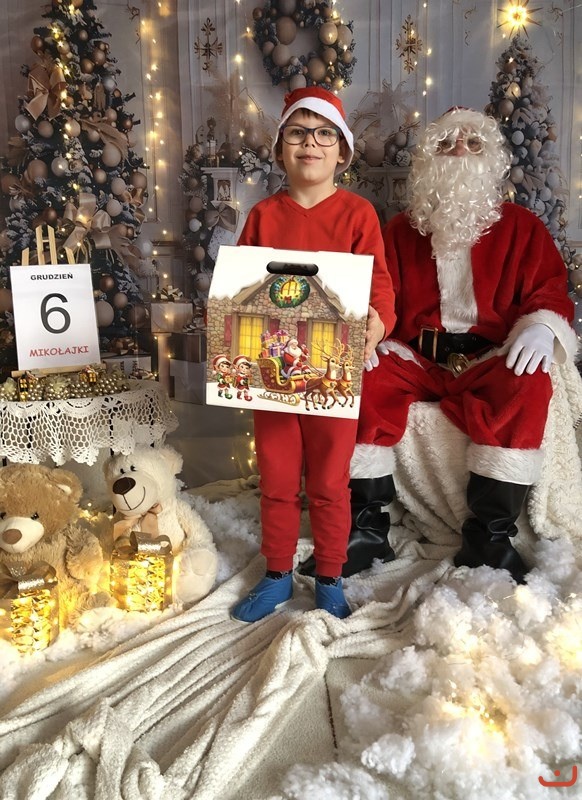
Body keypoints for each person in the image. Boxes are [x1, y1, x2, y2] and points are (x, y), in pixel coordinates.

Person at [323, 106, 576, 584]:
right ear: (427, 160)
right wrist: (370, 333)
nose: (459, 150)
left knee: (528, 384)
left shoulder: (522, 227)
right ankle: (365, 530)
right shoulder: (401, 231)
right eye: (446, 143)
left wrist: (542, 327)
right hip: (417, 357)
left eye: (473, 143)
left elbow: (549, 289)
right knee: (361, 381)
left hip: (489, 356)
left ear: (491, 159)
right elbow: (378, 294)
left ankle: (490, 539)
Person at [231, 86, 396, 622]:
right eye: (299, 133)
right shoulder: (262, 215)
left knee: (329, 482)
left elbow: (381, 288)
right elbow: (240, 288)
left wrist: (378, 322)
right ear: (281, 147)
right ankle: (277, 574)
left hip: (332, 372)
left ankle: (329, 576)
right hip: (273, 373)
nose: (311, 143)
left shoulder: (358, 215)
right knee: (278, 479)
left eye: (324, 134)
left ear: (341, 149)